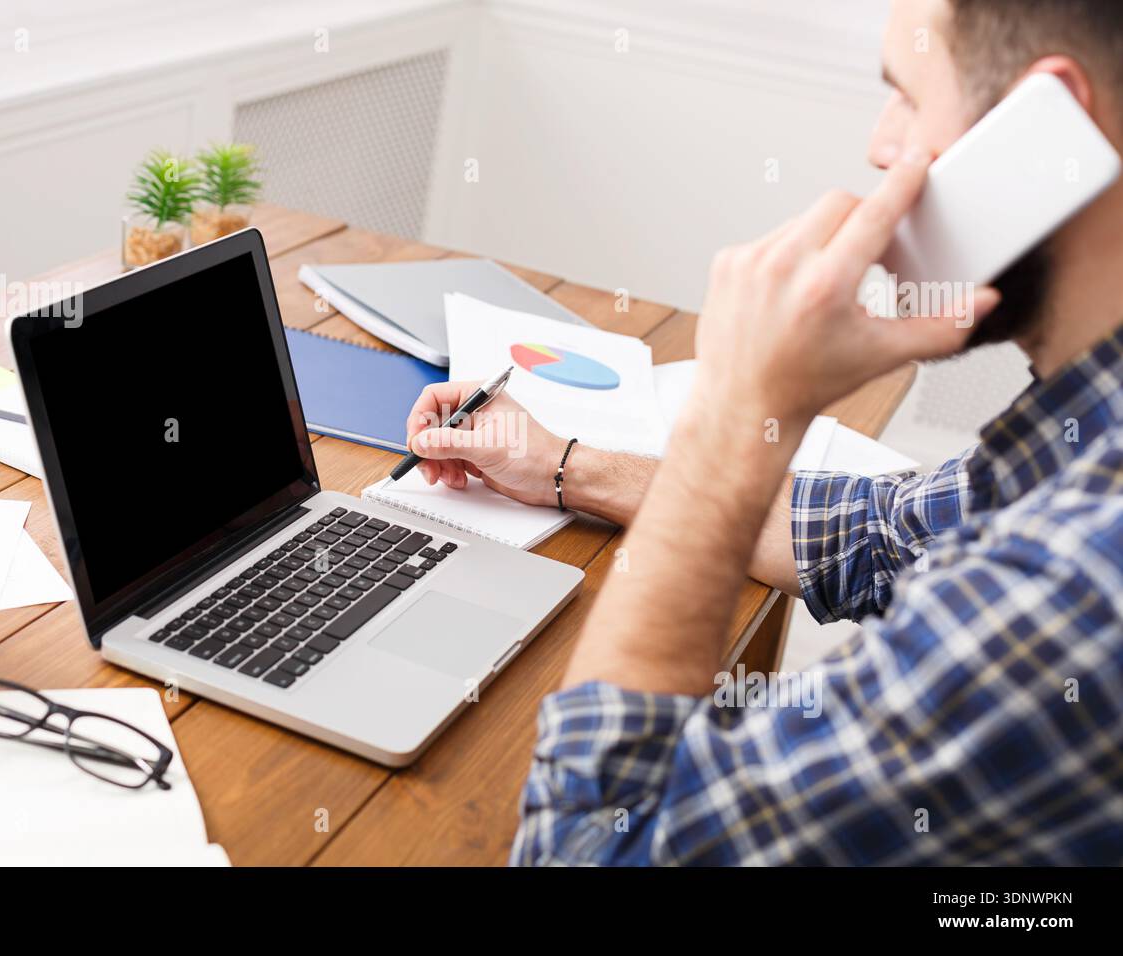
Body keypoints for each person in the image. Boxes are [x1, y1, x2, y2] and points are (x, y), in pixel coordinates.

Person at [404, 0, 1123, 864]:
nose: (879, 144)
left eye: (904, 95)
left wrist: (735, 410)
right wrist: (562, 463)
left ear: (1048, 130)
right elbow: (883, 534)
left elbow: (586, 849)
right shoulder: (1084, 440)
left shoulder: (1078, 581)